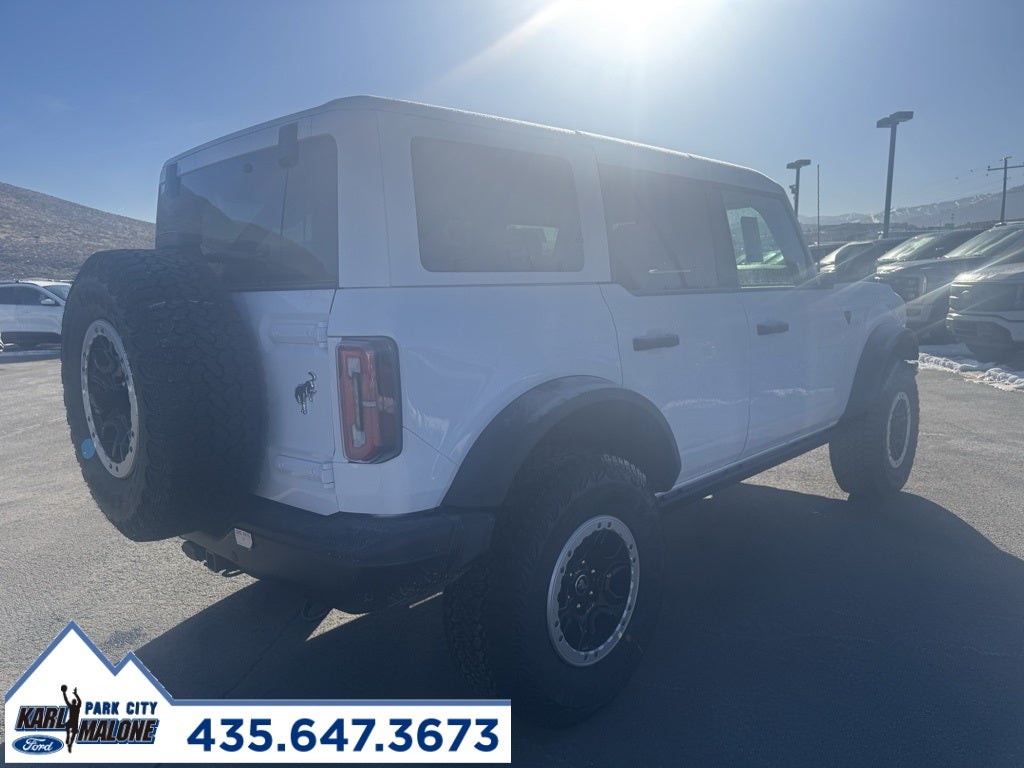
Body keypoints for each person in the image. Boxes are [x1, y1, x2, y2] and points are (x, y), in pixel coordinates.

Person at [61, 684, 81, 753]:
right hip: (73, 722)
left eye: (73, 701)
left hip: (73, 721)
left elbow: (66, 700)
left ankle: (69, 742)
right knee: (71, 731)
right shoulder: (76, 706)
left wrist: (64, 693)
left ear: (73, 702)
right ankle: (68, 739)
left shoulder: (74, 706)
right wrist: (75, 694)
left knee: (69, 728)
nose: (73, 701)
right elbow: (67, 700)